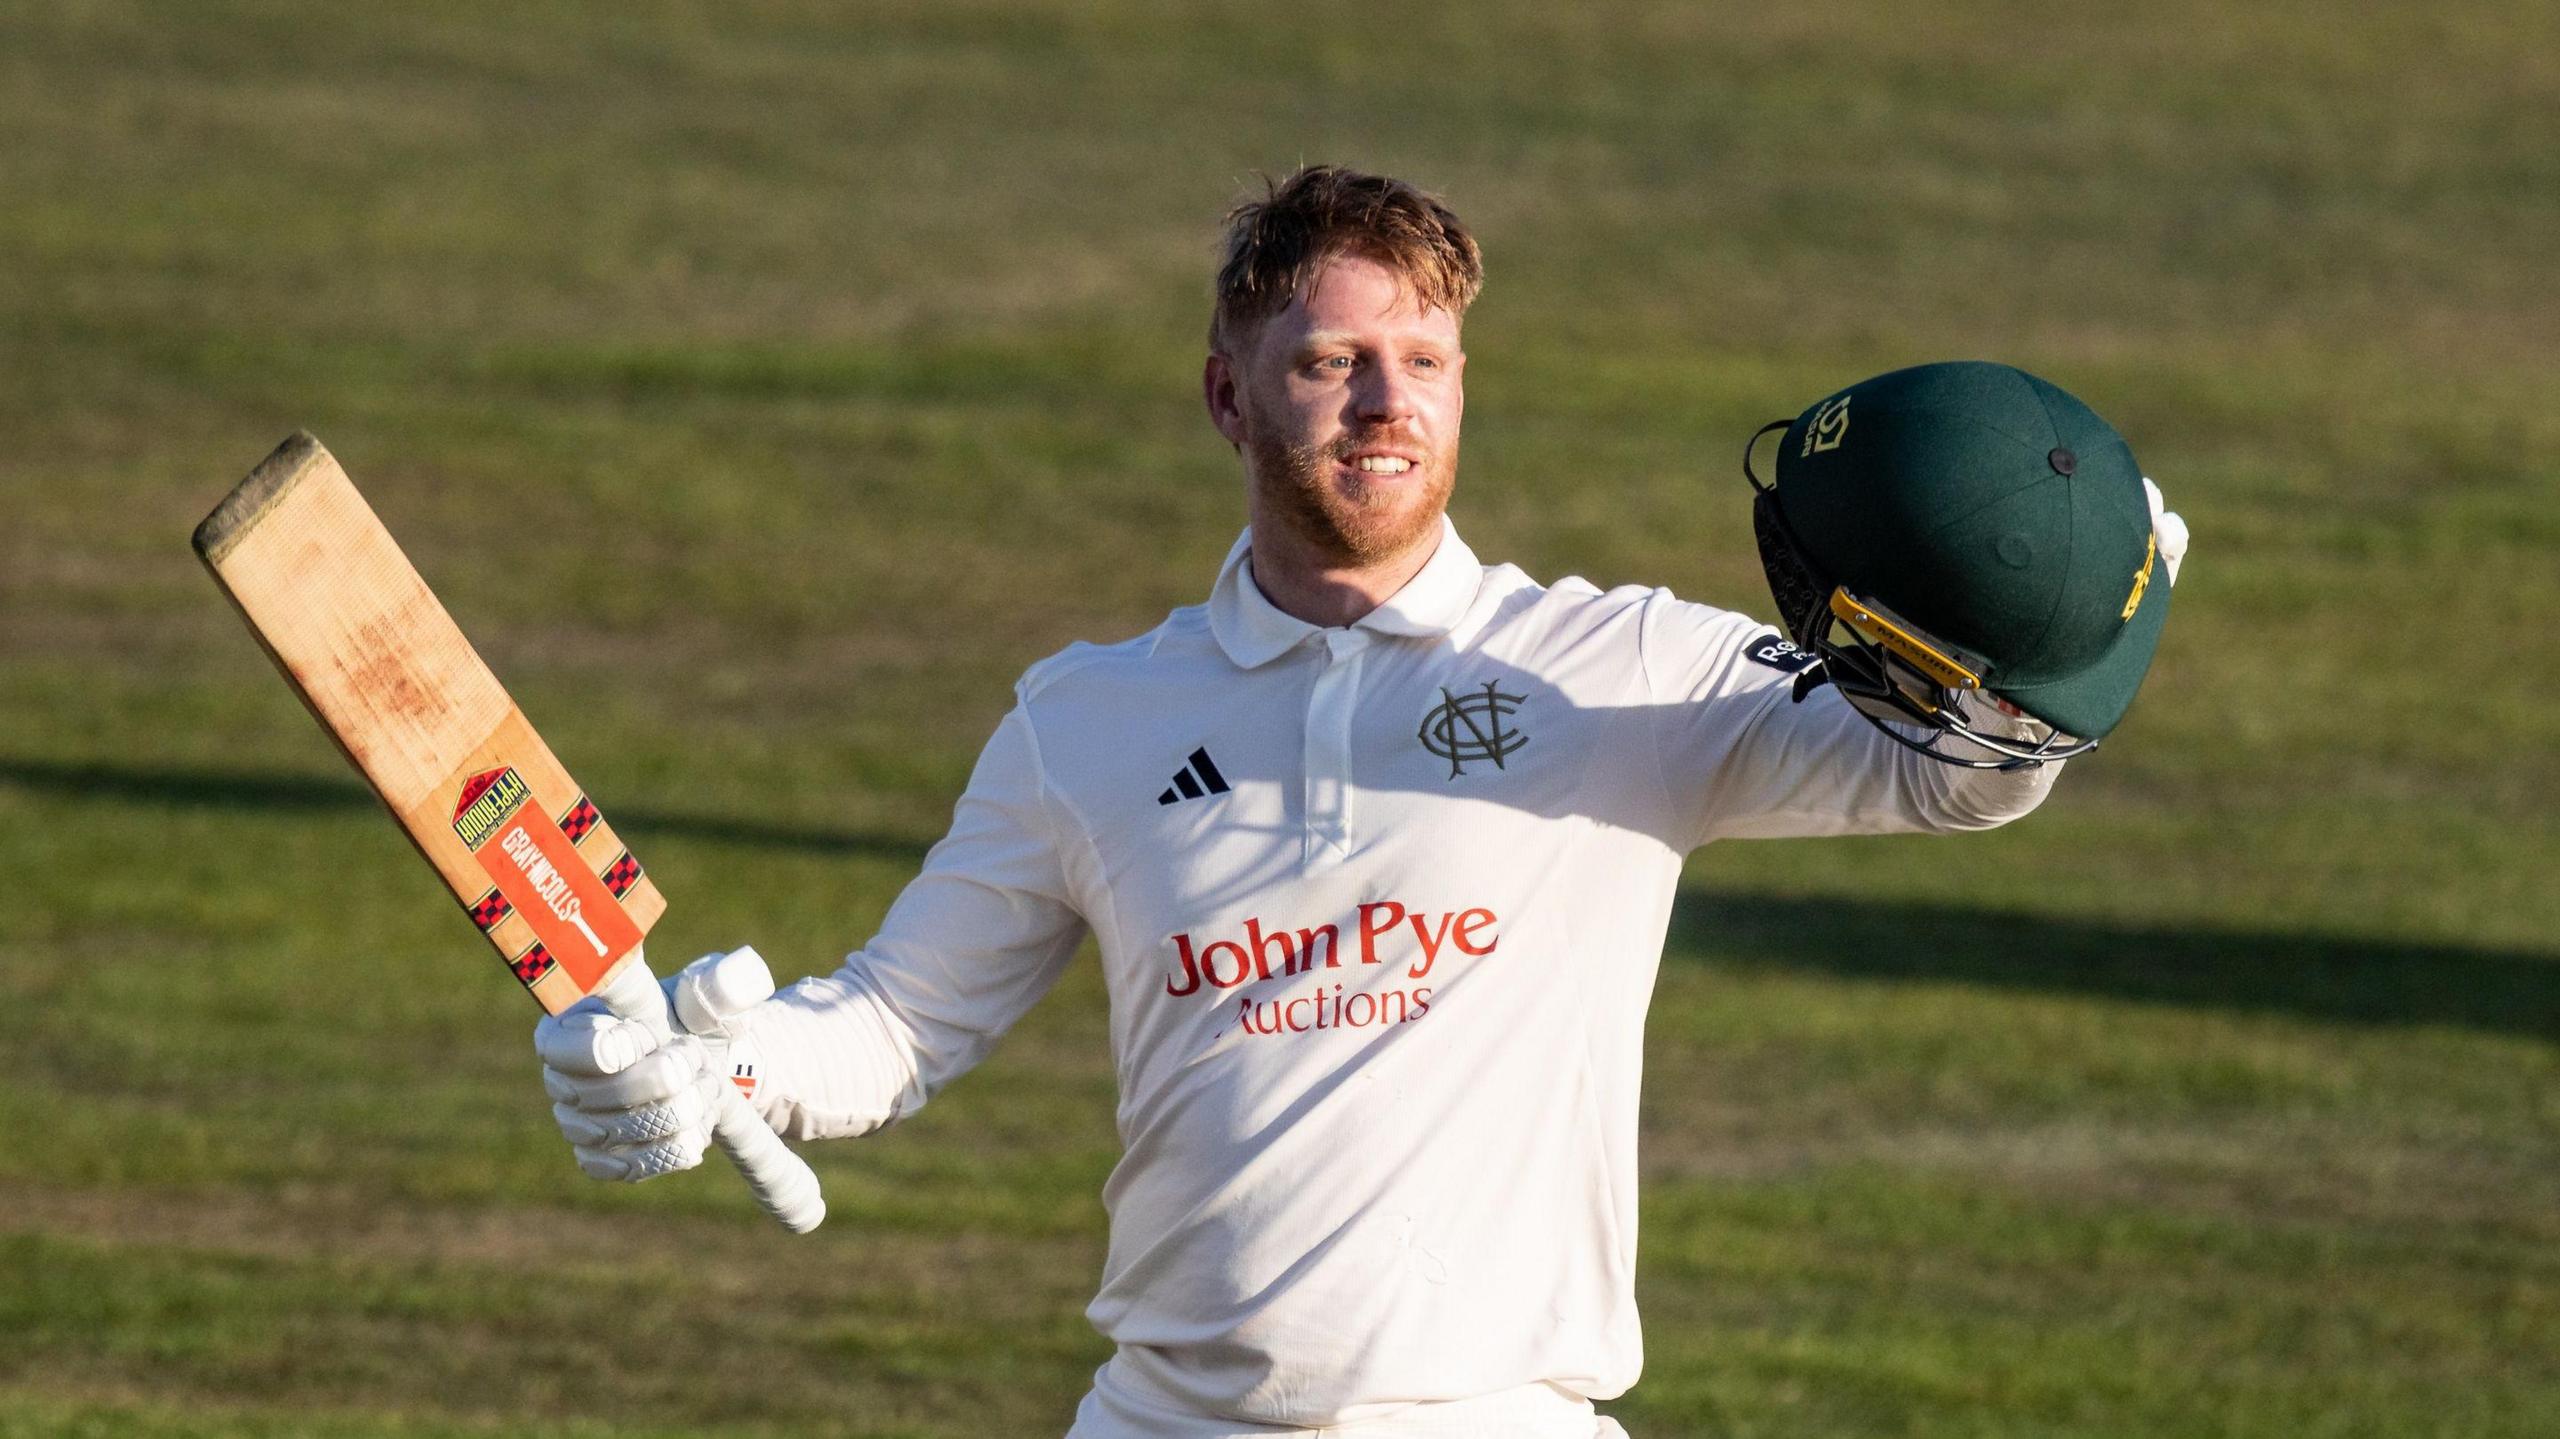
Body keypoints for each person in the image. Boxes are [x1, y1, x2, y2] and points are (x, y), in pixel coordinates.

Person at [535, 166, 2187, 1438]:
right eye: (1332, 362)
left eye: (1424, 361)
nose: (1389, 404)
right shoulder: (1085, 723)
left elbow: (1939, 778)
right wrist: (729, 1064)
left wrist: (2054, 649)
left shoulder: (1624, 670)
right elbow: (899, 1022)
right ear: (1227, 396)